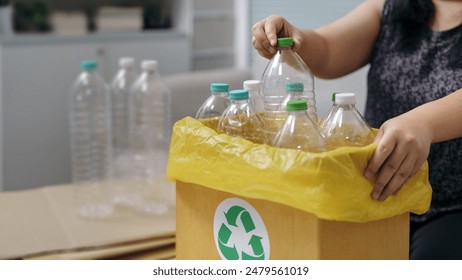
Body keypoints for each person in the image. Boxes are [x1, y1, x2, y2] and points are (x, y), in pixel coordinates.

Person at [252, 0, 462, 259]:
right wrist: (294, 38)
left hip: (450, 208)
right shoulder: (392, 7)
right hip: (373, 198)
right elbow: (328, 50)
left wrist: (426, 122)